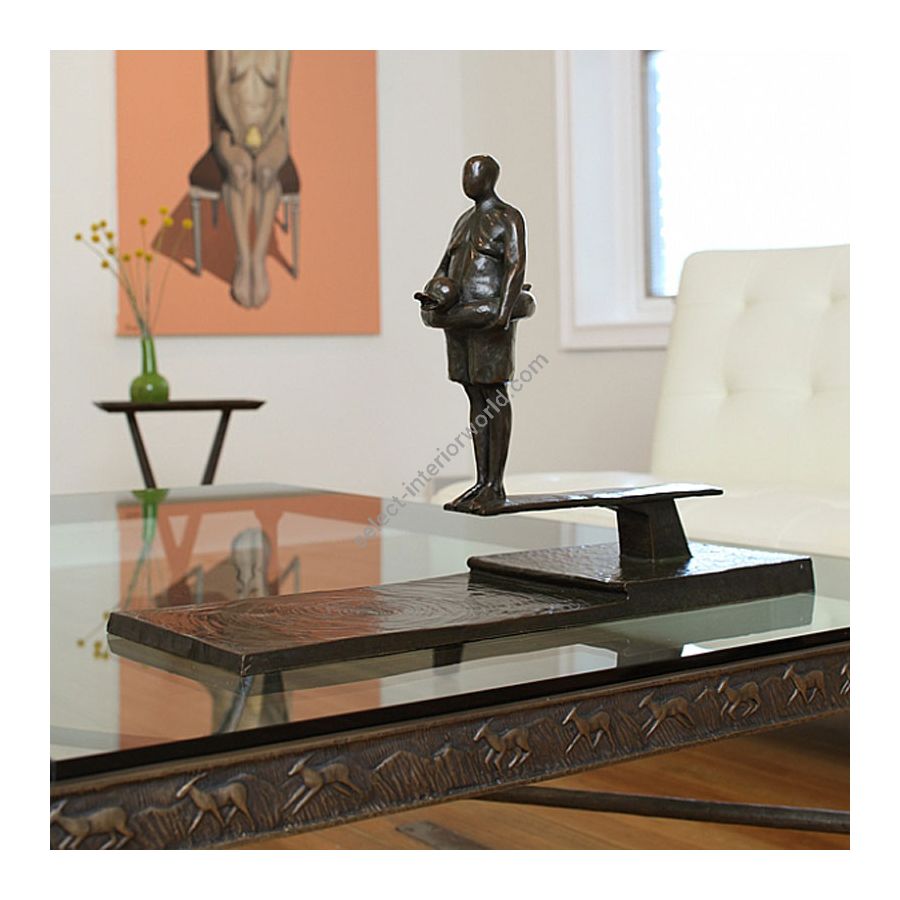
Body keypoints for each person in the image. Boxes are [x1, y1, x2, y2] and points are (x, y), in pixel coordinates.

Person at [418, 155, 535, 513]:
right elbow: (444, 265)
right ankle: (481, 481)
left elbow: (515, 265)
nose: (468, 180)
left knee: (493, 393)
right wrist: (434, 294)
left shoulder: (507, 217)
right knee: (474, 394)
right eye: (465, 174)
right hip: (459, 320)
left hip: (488, 319)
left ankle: (495, 484)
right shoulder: (463, 221)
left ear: (490, 178)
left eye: (474, 174)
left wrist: (502, 312)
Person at [212, 50, 290, 308]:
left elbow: (281, 97)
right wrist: (238, 131)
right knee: (239, 171)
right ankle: (243, 258)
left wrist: (265, 134)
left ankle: (258, 258)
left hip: (271, 130)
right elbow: (221, 89)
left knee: (266, 174)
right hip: (232, 128)